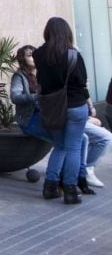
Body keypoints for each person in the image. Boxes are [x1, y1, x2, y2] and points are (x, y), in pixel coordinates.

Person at [33, 17, 91, 204]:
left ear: (47, 32)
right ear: (67, 32)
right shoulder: (73, 55)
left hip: (52, 108)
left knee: (59, 147)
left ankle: (50, 187)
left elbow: (41, 81)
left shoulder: (39, 55)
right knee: (73, 147)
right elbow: (82, 82)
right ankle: (70, 191)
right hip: (75, 106)